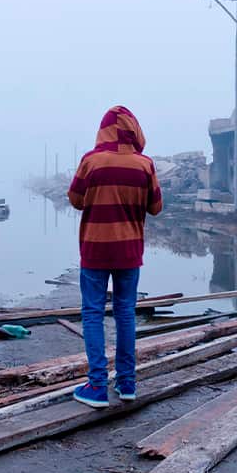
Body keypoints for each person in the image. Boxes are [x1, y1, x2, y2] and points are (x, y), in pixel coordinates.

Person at [67, 105, 163, 407]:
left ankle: (97, 386)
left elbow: (76, 200)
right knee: (125, 313)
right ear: (134, 130)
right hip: (129, 250)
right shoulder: (144, 165)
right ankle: (127, 383)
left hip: (95, 248)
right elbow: (156, 207)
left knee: (93, 313)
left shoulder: (91, 161)